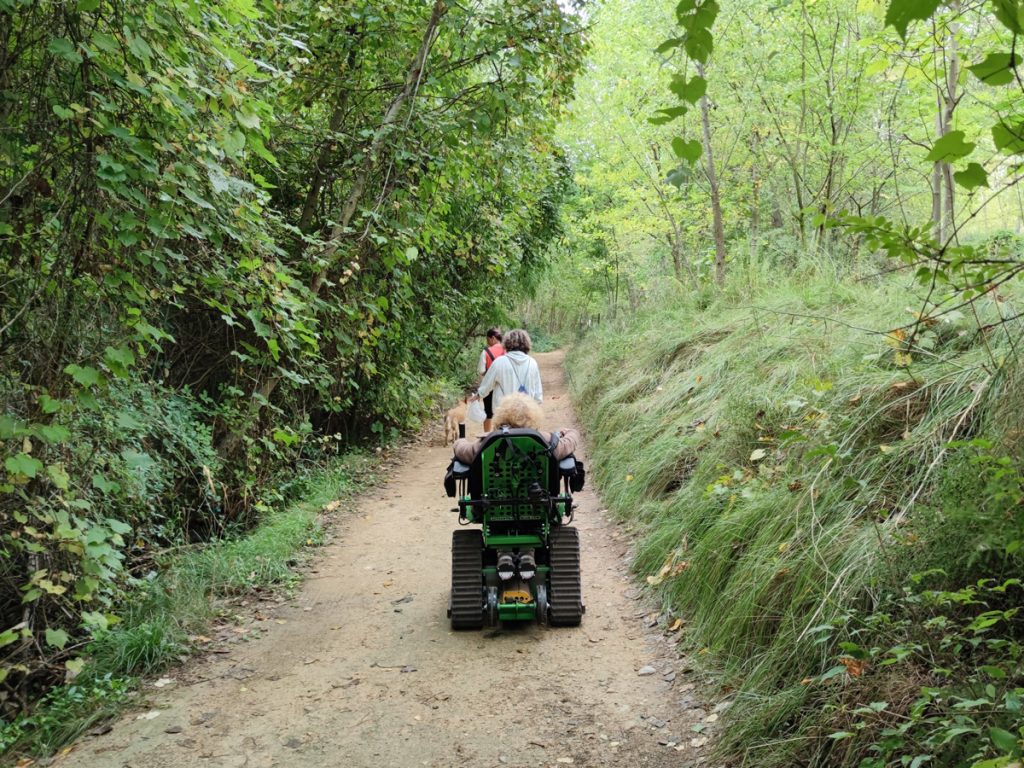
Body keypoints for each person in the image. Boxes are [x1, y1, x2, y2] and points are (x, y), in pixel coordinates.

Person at [453, 393, 579, 582]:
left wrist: (459, 441)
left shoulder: (486, 442)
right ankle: (528, 552)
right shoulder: (546, 441)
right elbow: (571, 441)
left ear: (500, 417)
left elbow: (462, 450)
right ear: (534, 417)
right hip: (539, 507)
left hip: (493, 508)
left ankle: (503, 552)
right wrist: (564, 431)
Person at [475, 328, 542, 411]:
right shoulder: (532, 363)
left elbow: (487, 384)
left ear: (507, 343)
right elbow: (538, 396)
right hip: (526, 412)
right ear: (526, 343)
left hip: (504, 413)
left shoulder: (499, 362)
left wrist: (478, 395)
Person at [476, 327, 505, 432]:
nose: (488, 343)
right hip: (504, 385)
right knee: (504, 412)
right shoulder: (507, 349)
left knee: (488, 413)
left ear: (492, 338)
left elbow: (481, 370)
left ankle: (487, 437)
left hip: (489, 386)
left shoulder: (486, 352)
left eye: (488, 340)